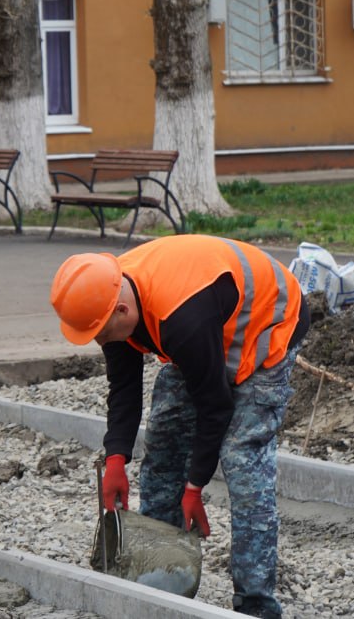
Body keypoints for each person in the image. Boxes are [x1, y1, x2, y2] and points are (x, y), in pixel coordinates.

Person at [50, 235, 309, 619]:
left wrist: (194, 486)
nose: (101, 342)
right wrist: (116, 458)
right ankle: (157, 573)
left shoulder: (181, 319)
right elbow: (123, 388)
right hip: (210, 329)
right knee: (165, 438)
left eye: (101, 335)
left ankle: (256, 606)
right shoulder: (108, 295)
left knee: (242, 459)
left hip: (269, 323)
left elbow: (216, 406)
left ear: (121, 311)